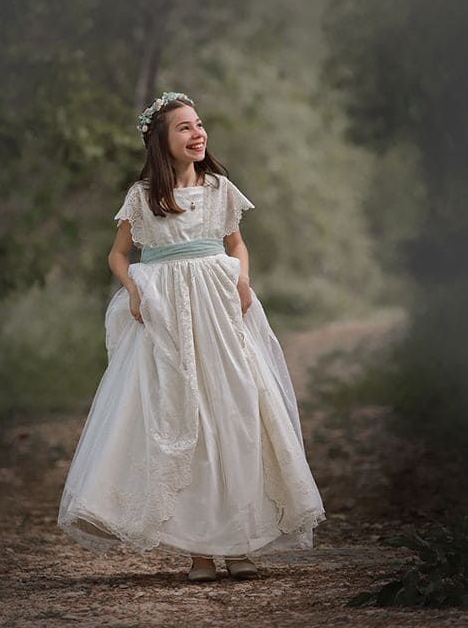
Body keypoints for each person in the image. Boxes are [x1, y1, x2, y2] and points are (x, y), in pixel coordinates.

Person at [57, 91, 326, 583]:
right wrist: (134, 288)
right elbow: (119, 255)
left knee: (237, 414)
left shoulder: (220, 189)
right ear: (161, 141)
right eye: (184, 127)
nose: (197, 133)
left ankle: (241, 543)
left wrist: (241, 281)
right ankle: (201, 551)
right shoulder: (143, 197)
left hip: (220, 312)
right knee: (185, 421)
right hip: (167, 318)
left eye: (199, 125)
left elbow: (236, 243)